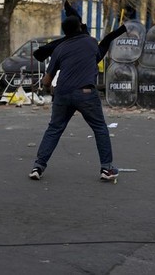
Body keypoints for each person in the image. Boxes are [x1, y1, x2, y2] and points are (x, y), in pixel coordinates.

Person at [29, 15, 118, 182]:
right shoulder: (91, 42)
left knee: (54, 129)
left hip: (62, 94)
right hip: (86, 93)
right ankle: (106, 168)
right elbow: (98, 54)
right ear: (79, 28)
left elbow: (47, 80)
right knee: (99, 128)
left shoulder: (59, 48)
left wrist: (49, 88)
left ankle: (38, 167)